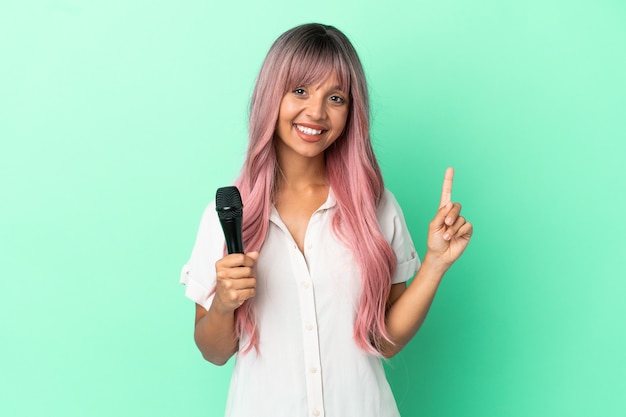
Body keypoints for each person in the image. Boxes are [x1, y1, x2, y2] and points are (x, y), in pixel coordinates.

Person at [180, 23, 473, 417]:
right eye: (300, 90)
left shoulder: (376, 206)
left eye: (335, 97)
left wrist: (435, 264)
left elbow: (384, 342)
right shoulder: (228, 215)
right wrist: (224, 305)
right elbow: (213, 352)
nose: (316, 112)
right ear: (272, 96)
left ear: (351, 110)